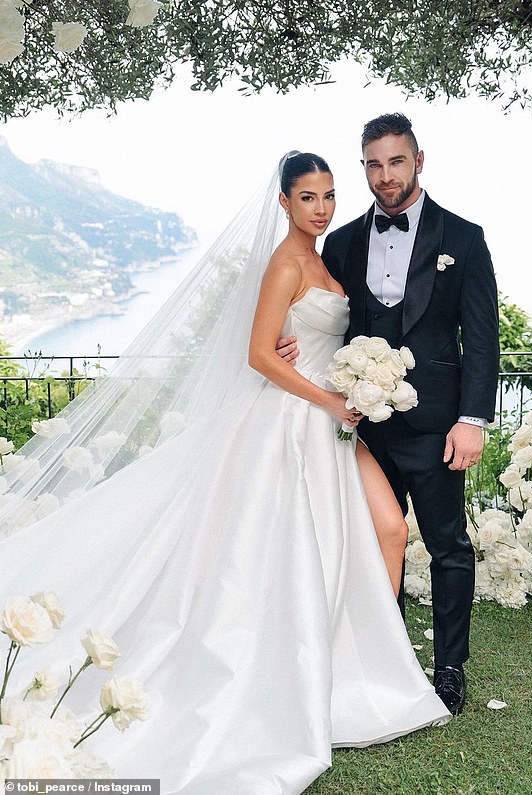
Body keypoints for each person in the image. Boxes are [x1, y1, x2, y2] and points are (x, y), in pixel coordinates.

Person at [0, 152, 450, 794]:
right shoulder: (286, 262)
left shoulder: (327, 257)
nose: (321, 208)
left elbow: (315, 338)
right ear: (284, 203)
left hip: (331, 420)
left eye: (328, 196)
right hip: (294, 423)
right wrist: (327, 396)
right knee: (294, 557)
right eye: (307, 198)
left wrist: (352, 382)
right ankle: (304, 680)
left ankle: (365, 667)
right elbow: (259, 354)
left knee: (388, 531)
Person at [277, 115, 500, 715]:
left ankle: (450, 670)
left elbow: (481, 341)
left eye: (395, 162)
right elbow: (322, 313)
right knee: (372, 539)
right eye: (373, 165)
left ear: (418, 161)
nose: (385, 176)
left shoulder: (465, 238)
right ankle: (386, 658)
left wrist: (472, 419)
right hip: (358, 429)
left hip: (436, 428)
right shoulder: (343, 241)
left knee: (448, 546)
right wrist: (286, 342)